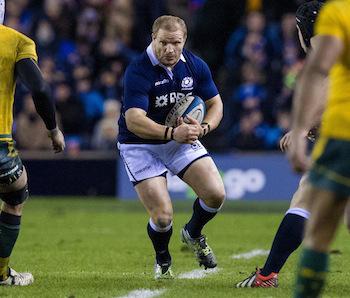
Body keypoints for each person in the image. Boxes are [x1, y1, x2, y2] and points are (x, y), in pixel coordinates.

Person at [236, 1, 349, 288]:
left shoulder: (335, 20)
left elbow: (321, 76)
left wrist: (301, 128)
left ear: (303, 32)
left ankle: (266, 275)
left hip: (343, 138)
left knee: (309, 204)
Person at [117, 15, 225, 279]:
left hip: (178, 138)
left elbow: (216, 105)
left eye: (175, 43)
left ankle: (193, 233)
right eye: (163, 43)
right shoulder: (139, 69)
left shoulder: (195, 66)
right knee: (163, 217)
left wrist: (203, 129)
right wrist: (171, 133)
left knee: (215, 194)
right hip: (140, 144)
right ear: (153, 38)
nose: (169, 49)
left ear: (184, 40)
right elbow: (134, 120)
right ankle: (163, 260)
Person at [0, 0, 65, 286]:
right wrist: (53, 130)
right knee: (15, 196)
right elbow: (39, 87)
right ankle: (1, 273)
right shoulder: (16, 41)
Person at [288, 0, 350, 296]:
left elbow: (318, 69)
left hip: (344, 133)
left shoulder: (336, 12)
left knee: (320, 232)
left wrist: (300, 129)